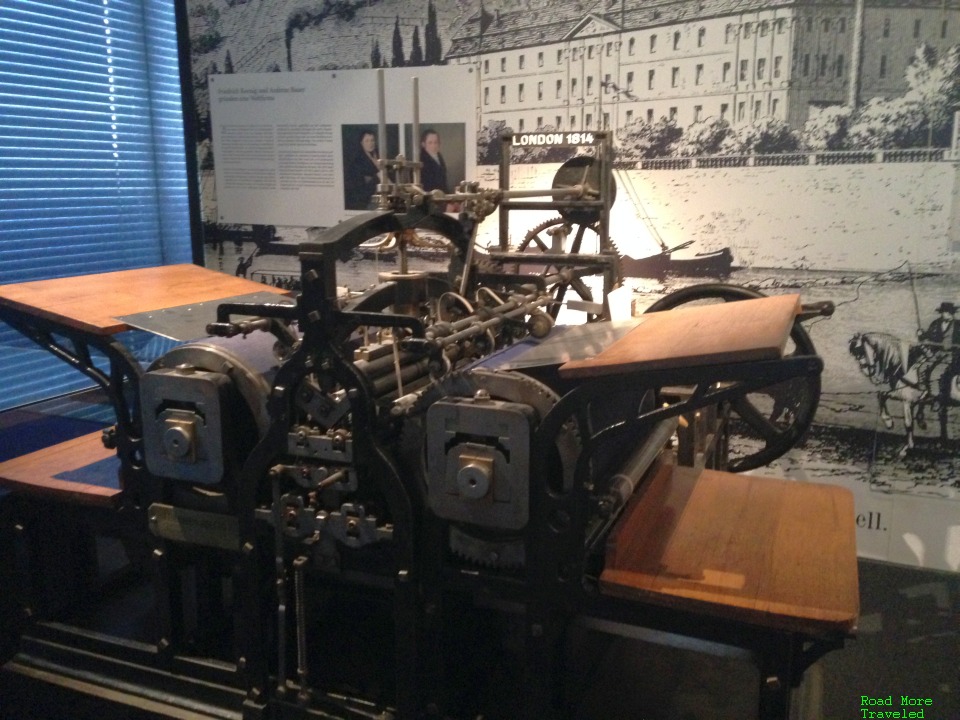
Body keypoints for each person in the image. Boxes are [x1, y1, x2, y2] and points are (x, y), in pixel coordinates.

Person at [914, 301, 960, 394]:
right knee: (921, 369)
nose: (946, 314)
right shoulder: (935, 323)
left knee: (934, 375)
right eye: (944, 312)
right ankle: (923, 392)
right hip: (937, 353)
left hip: (952, 356)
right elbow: (928, 336)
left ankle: (937, 399)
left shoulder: (958, 325)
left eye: (948, 312)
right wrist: (921, 335)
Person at [344, 130, 380, 210]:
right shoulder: (358, 163)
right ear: (361, 143)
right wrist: (377, 177)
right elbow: (359, 191)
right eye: (367, 141)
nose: (370, 143)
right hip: (366, 201)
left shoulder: (379, 156)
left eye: (372, 140)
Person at [419, 129, 449, 194]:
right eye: (430, 143)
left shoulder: (439, 156)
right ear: (423, 144)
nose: (434, 146)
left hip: (442, 197)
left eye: (436, 142)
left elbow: (443, 182)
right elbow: (427, 187)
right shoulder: (421, 161)